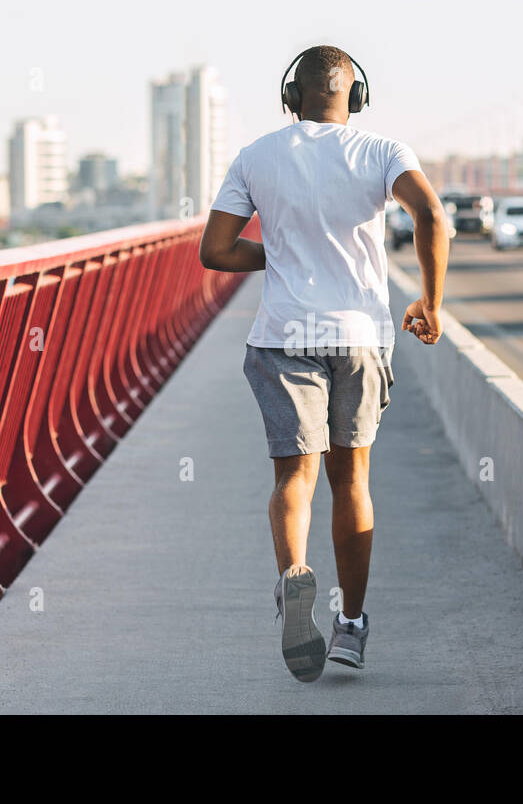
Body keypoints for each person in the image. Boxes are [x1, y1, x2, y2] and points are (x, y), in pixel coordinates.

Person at [198, 45, 449, 682]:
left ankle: (292, 581)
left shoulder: (257, 155)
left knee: (294, 478)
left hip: (283, 334)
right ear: (355, 97)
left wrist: (279, 258)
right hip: (360, 335)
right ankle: (353, 627)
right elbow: (432, 215)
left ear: (292, 97)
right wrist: (431, 301)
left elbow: (217, 251)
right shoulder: (384, 152)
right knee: (352, 479)